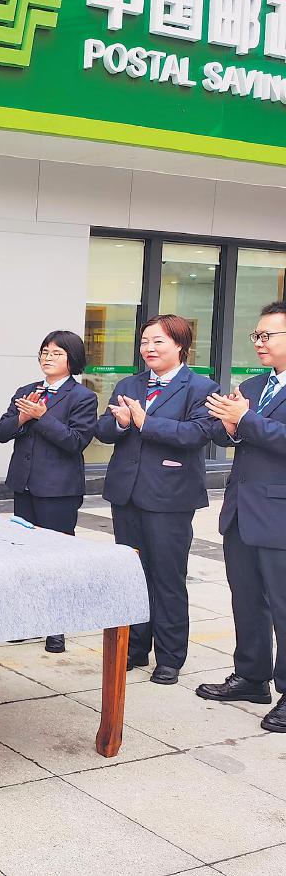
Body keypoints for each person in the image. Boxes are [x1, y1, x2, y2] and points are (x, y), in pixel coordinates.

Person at [95, 314, 219, 686]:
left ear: (180, 345)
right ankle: (134, 648)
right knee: (133, 576)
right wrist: (120, 422)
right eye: (145, 341)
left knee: (167, 577)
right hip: (127, 493)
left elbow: (198, 433)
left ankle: (170, 657)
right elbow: (104, 429)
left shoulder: (201, 387)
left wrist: (144, 422)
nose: (149, 348)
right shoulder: (129, 383)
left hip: (170, 497)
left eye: (158, 341)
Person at [197, 301, 286, 732]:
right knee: (246, 599)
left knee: (283, 606)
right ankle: (251, 677)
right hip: (241, 511)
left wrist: (245, 419)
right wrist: (231, 424)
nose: (259, 342)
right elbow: (225, 431)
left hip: (279, 514)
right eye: (257, 335)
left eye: (268, 335)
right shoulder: (253, 384)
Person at [0, 330, 99, 653]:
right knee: (24, 556)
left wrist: (40, 418)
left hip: (58, 489)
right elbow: (0, 431)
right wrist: (22, 417)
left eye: (56, 353)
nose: (48, 358)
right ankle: (26, 620)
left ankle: (56, 626)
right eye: (44, 352)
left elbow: (76, 441)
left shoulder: (82, 397)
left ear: (72, 359)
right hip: (24, 484)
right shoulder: (26, 391)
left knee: (57, 558)